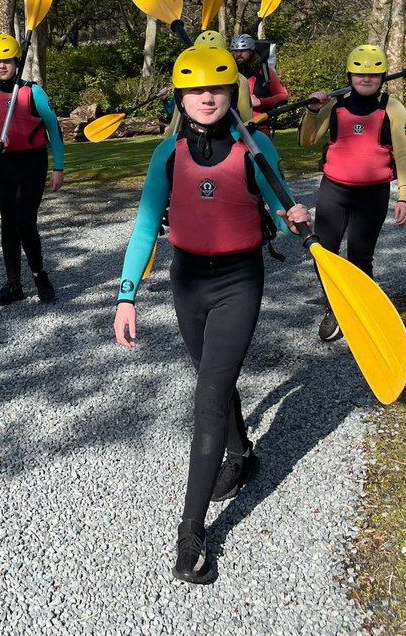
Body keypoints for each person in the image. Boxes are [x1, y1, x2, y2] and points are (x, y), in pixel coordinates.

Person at [112, 45, 311, 585]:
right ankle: (243, 453)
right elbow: (145, 227)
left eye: (217, 89)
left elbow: (281, 206)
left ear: (233, 94)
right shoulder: (166, 155)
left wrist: (293, 217)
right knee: (213, 381)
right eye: (196, 90)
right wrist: (126, 296)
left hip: (238, 282)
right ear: (180, 97)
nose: (206, 98)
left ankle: (191, 534)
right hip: (187, 282)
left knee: (206, 401)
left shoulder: (256, 146)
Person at [299, 44, 406, 341]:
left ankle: (364, 309)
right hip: (334, 190)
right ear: (349, 75)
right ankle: (335, 307)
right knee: (323, 254)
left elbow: (404, 155)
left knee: (361, 257)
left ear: (383, 76)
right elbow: (307, 140)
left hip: (372, 194)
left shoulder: (393, 107)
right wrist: (313, 111)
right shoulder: (334, 105)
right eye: (360, 74)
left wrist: (404, 195)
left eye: (374, 74)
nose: (366, 79)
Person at [0, 33, 65, 305]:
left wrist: (58, 167)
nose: (2, 66)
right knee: (8, 226)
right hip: (5, 163)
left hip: (33, 162)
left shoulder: (33, 92)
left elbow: (54, 129)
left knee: (25, 222)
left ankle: (40, 276)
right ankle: (14, 285)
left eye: (7, 60)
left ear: (17, 61)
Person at [230, 33, 288, 137]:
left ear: (251, 51)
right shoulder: (229, 72)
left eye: (243, 51)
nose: (238, 54)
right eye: (236, 51)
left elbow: (283, 96)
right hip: (233, 127)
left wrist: (261, 102)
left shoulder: (264, 72)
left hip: (259, 127)